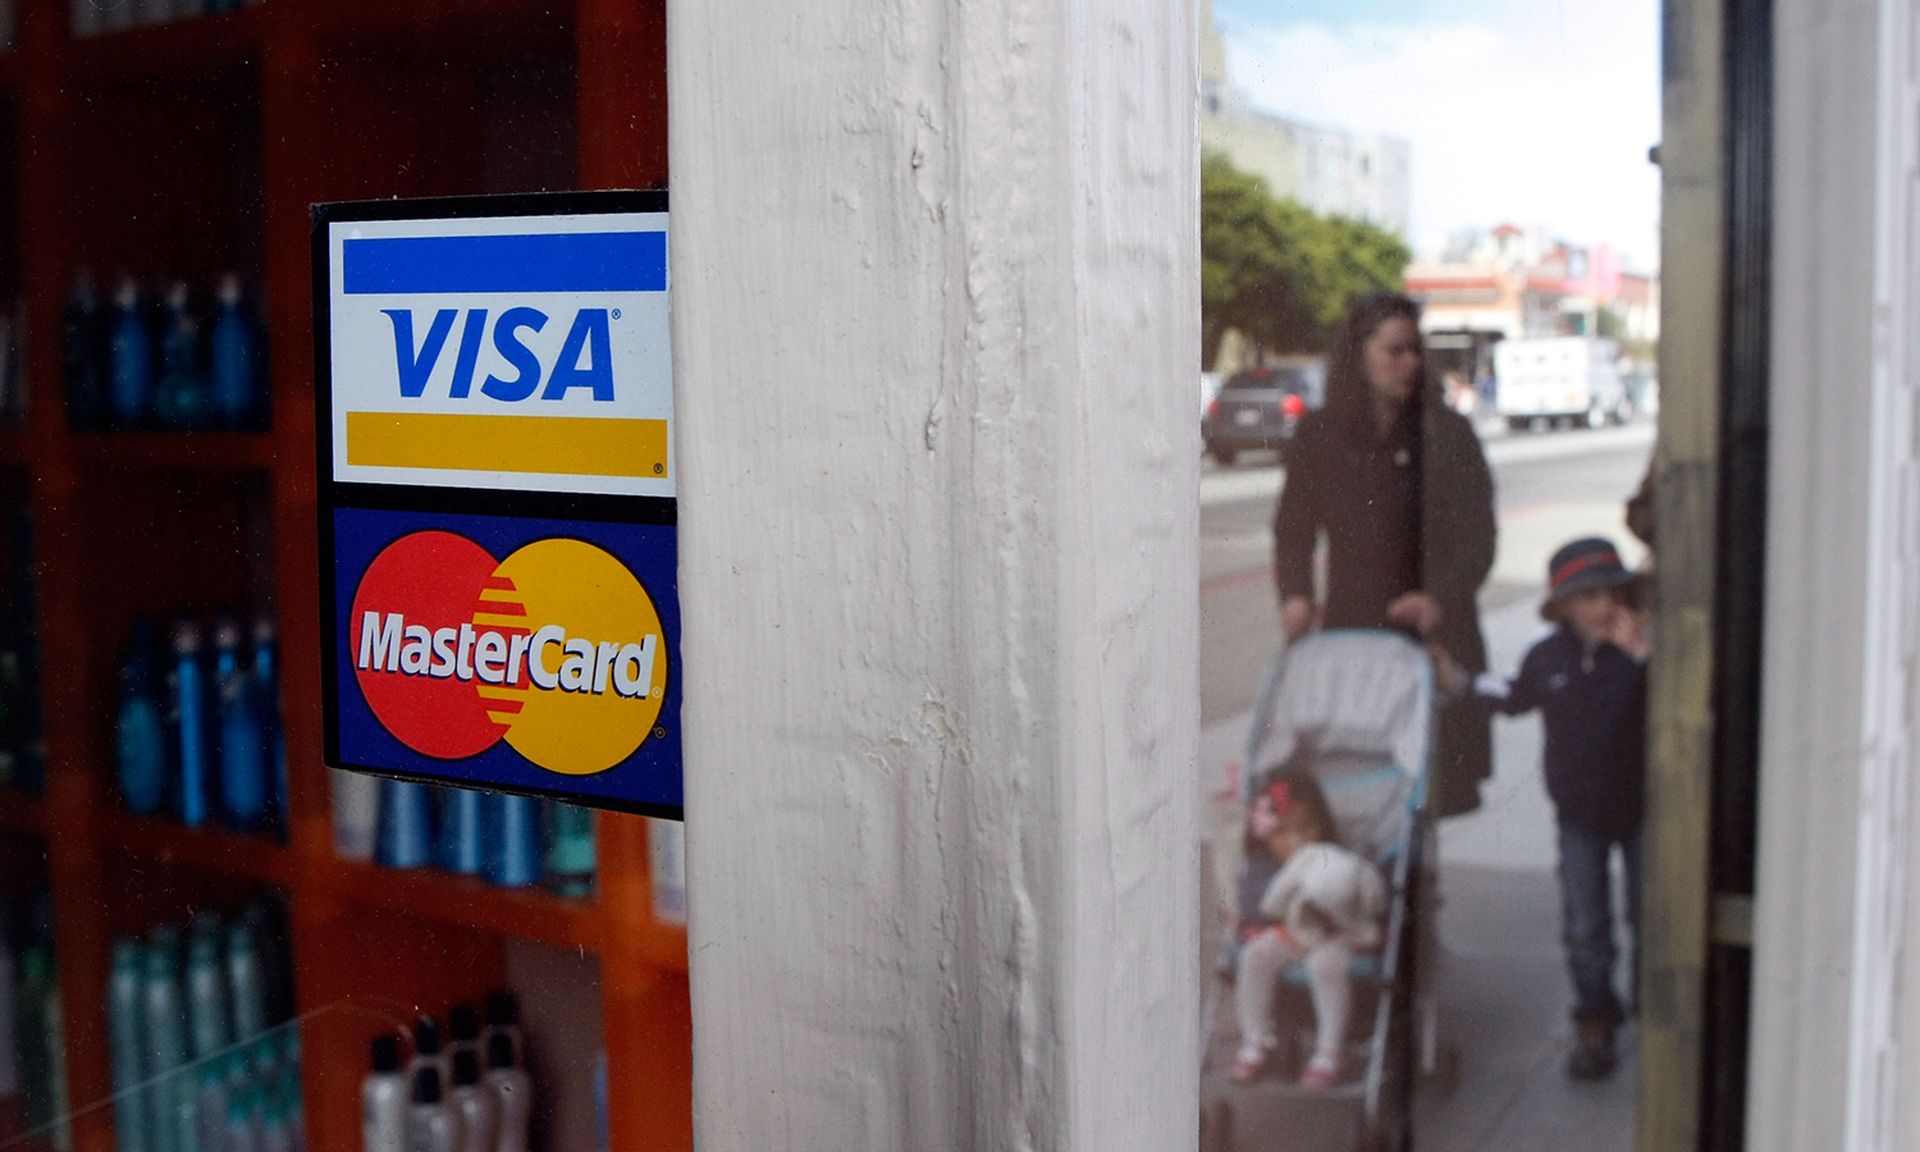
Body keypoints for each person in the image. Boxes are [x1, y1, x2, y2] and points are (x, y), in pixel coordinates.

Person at [1272, 292, 1498, 816]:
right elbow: (1293, 527)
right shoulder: (1319, 435)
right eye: (1395, 350)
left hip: (1435, 636)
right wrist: (1296, 595)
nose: (1410, 363)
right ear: (1360, 355)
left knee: (1425, 800)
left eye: (1415, 351)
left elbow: (1479, 536)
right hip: (1354, 636)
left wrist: (1439, 597)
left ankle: (1419, 894)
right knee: (1353, 788)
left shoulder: (1449, 434)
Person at [1434, 536, 1650, 1081]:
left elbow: (1675, 700)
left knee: (1649, 913)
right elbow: (1512, 695)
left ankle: (1653, 1000)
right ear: (1564, 606)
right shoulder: (1546, 656)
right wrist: (1458, 682)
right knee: (1585, 924)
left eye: (1612, 593)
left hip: (1643, 808)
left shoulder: (1638, 651)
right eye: (1589, 596)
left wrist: (1643, 655)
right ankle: (1595, 1017)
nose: (1604, 607)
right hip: (1577, 813)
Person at [1231, 770, 1387, 1089]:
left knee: (1325, 963)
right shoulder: (1263, 864)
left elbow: (1367, 892)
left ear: (1322, 823)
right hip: (1293, 932)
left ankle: (1330, 1051)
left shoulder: (1334, 856)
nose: (1299, 840)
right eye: (1285, 832)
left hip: (1336, 934)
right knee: (1255, 956)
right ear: (1265, 833)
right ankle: (1255, 1040)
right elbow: (1261, 907)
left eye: (1307, 828)